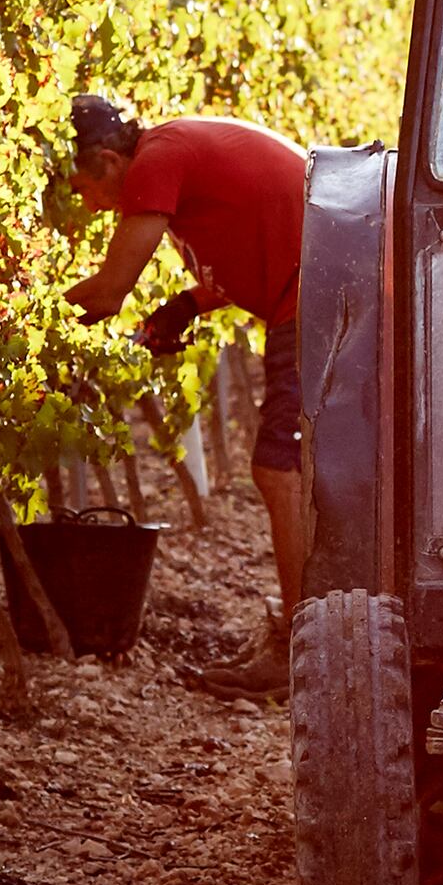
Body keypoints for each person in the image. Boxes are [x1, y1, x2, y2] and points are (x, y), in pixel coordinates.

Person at [62, 93, 312, 687]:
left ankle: (305, 650)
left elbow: (107, 291)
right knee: (300, 468)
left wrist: (22, 325)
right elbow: (248, 237)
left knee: (281, 471)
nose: (90, 206)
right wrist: (186, 305)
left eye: (84, 188)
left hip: (318, 297)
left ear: (108, 159)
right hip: (316, 288)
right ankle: (312, 630)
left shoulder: (157, 158)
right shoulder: (174, 155)